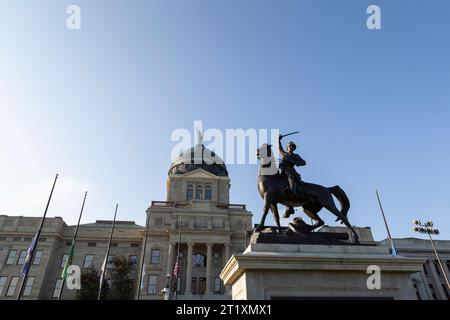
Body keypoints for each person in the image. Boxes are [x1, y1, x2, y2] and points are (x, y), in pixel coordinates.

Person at [279, 134, 306, 217]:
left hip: (289, 170)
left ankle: (292, 192)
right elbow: (279, 148)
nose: (291, 147)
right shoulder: (284, 154)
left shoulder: (296, 156)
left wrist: (295, 161)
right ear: (287, 147)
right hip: (282, 169)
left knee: (291, 177)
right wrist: (278, 140)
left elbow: (303, 162)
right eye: (289, 146)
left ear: (294, 148)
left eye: (292, 146)